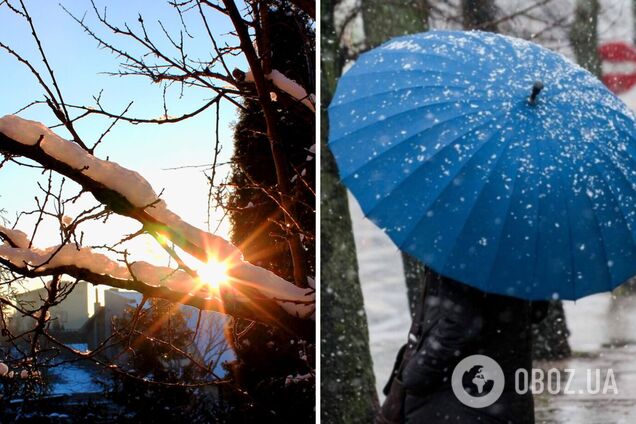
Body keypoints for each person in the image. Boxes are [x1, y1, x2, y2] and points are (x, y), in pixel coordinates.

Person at [378, 267, 548, 424]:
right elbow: (538, 311)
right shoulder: (522, 255)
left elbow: (456, 328)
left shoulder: (463, 256)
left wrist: (415, 375)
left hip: (455, 400)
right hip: (506, 391)